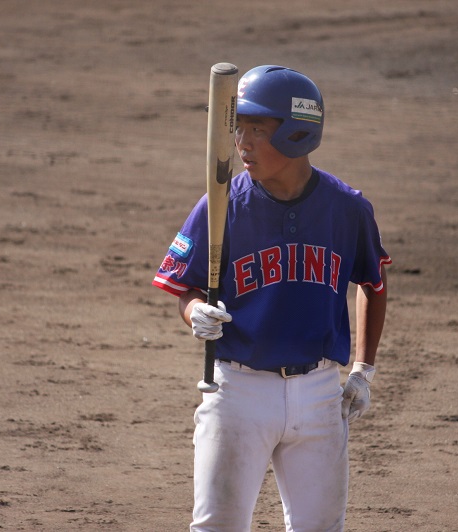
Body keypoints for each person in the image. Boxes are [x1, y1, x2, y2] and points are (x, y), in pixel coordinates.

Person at [152, 65, 391, 532]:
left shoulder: (347, 209)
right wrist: (195, 312)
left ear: (297, 133)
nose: (241, 143)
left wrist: (363, 369)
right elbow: (185, 286)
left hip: (320, 394)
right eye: (238, 127)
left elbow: (373, 282)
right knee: (217, 526)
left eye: (257, 129)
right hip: (237, 392)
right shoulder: (222, 204)